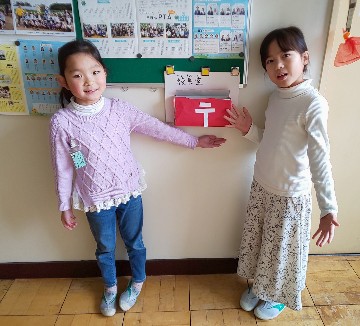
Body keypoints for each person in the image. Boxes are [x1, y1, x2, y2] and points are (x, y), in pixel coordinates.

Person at [49, 39, 226, 317]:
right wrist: (64, 204)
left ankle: (138, 280)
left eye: (95, 72)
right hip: (94, 199)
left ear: (105, 73)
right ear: (62, 80)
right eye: (77, 74)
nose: (88, 81)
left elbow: (156, 129)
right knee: (105, 247)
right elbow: (64, 166)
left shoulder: (120, 109)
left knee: (135, 242)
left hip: (129, 191)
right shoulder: (62, 122)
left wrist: (193, 142)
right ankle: (109, 288)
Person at [224, 26, 339, 320]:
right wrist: (248, 129)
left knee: (282, 252)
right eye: (270, 61)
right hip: (263, 187)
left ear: (304, 58)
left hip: (290, 196)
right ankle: (261, 287)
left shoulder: (313, 103)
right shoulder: (276, 98)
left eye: (285, 56)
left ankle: (277, 294)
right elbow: (271, 138)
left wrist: (328, 207)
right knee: (262, 242)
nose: (278, 65)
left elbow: (320, 157)